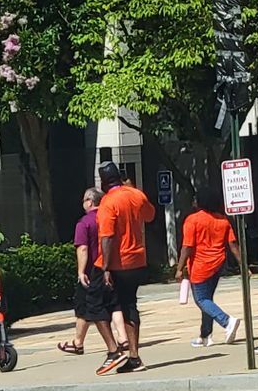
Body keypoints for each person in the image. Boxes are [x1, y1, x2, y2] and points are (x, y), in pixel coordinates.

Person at [95, 160, 157, 373]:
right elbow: (150, 215)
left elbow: (107, 237)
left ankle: (114, 350)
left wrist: (105, 268)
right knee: (129, 305)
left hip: (117, 263)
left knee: (94, 305)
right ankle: (134, 356)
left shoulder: (107, 202)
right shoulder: (136, 194)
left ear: (103, 182)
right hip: (138, 261)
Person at [174, 185, 243, 347]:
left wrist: (179, 268)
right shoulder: (223, 220)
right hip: (218, 263)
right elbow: (232, 244)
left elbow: (187, 246)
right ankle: (206, 335)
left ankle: (227, 321)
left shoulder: (193, 220)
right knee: (208, 299)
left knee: (201, 300)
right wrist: (242, 264)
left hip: (200, 265)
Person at [59, 188, 119, 361]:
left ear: (90, 202)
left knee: (86, 306)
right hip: (111, 268)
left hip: (92, 271)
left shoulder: (84, 223)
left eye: (84, 200)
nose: (83, 203)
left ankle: (82, 343)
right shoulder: (107, 218)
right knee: (115, 305)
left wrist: (80, 271)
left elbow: (83, 248)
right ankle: (119, 339)